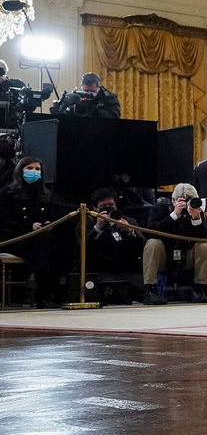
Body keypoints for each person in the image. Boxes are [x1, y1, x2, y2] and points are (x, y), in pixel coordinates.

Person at [0, 156, 66, 307]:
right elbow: (4, 221)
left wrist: (49, 223)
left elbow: (50, 215)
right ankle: (42, 293)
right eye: (29, 168)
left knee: (53, 243)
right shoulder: (7, 193)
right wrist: (29, 227)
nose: (34, 172)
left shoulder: (45, 194)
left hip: (39, 238)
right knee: (45, 244)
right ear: (20, 171)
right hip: (14, 239)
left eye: (37, 169)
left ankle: (48, 290)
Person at [143, 182, 207, 303]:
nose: (186, 204)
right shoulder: (160, 208)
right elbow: (151, 231)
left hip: (186, 256)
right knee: (152, 243)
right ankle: (150, 290)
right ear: (173, 200)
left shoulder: (197, 213)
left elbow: (204, 237)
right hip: (165, 255)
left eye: (190, 200)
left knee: (204, 246)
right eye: (183, 200)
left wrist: (196, 219)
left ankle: (199, 289)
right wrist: (174, 215)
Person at [88, 187, 145, 304]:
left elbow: (143, 246)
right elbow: (83, 247)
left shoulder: (130, 221)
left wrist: (130, 231)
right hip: (99, 268)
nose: (108, 209)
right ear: (95, 208)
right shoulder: (86, 222)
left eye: (111, 205)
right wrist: (98, 228)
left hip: (127, 268)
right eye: (104, 207)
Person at [50, 72, 121, 119]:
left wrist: (94, 111)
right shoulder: (78, 96)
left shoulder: (109, 97)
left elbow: (115, 116)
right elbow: (67, 115)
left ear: (98, 87)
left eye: (91, 91)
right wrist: (59, 109)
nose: (88, 94)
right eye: (86, 91)